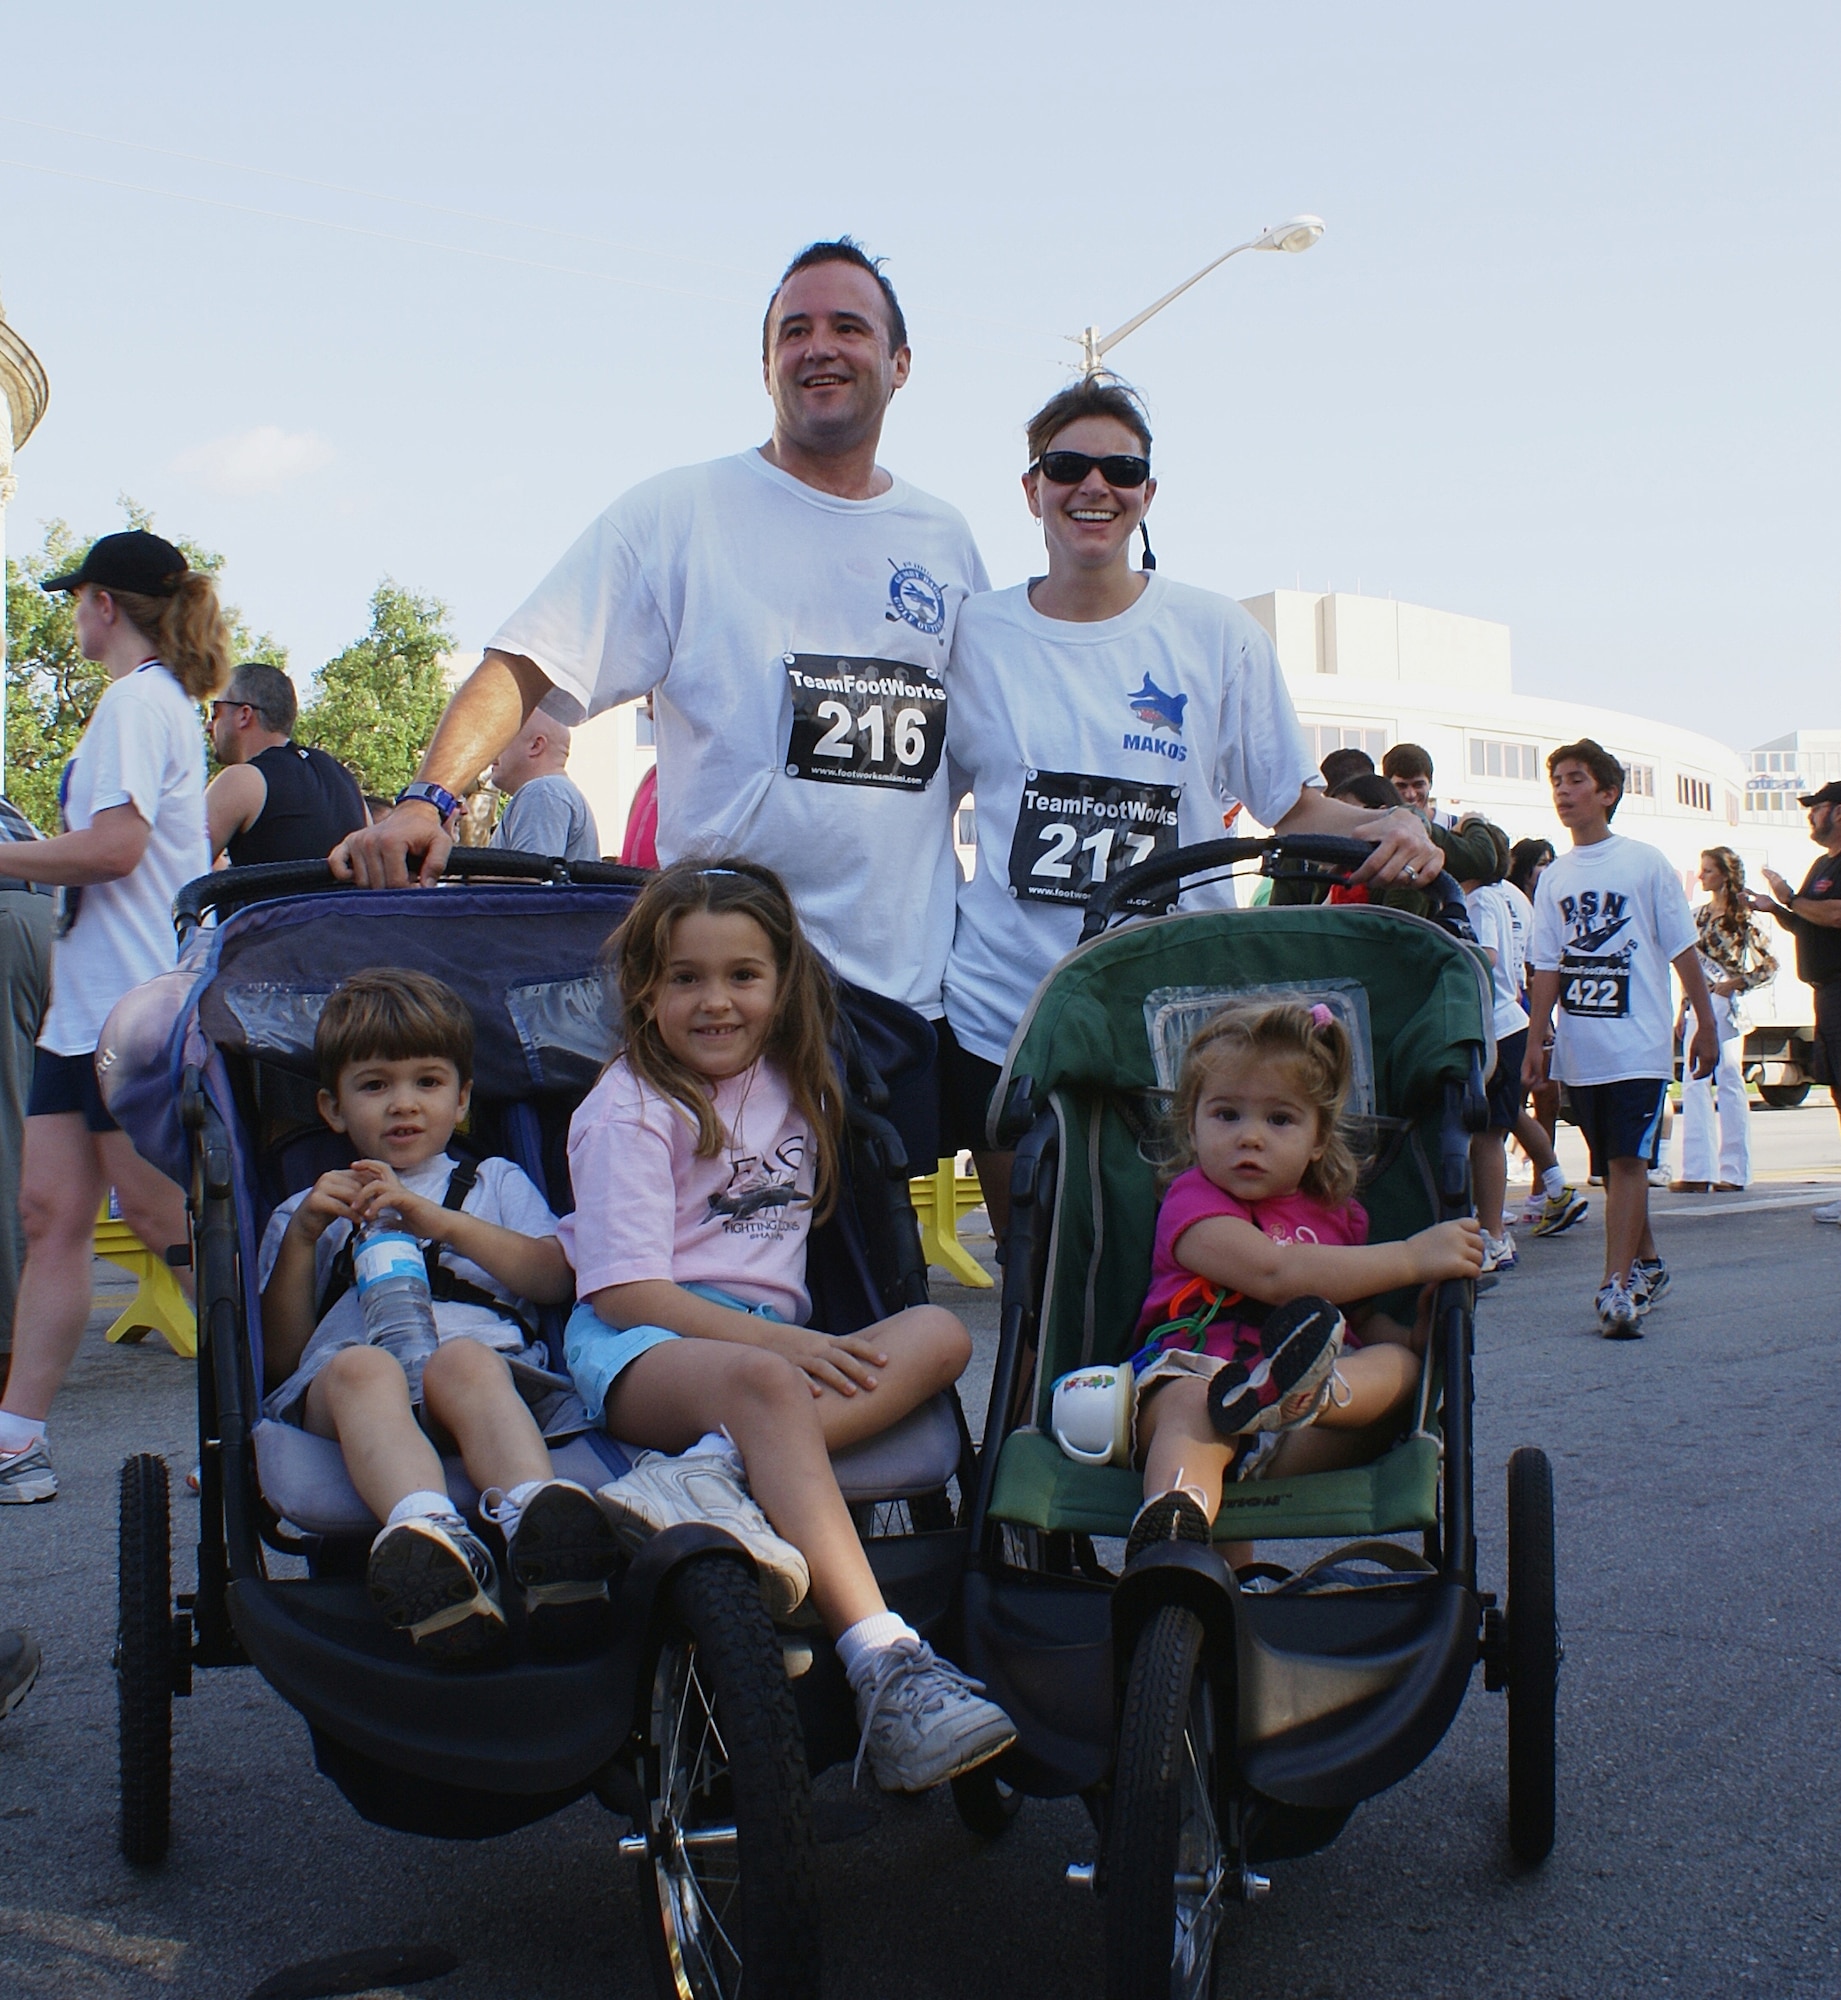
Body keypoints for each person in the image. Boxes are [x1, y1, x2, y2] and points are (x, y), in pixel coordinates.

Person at [331, 239, 985, 1097]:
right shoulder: (678, 516)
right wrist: (428, 799)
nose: (818, 347)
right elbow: (527, 661)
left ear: (899, 364)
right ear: (764, 365)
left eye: (847, 327)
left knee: (875, 1232)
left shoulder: (943, 539)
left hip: (901, 1002)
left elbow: (985, 744)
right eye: (794, 331)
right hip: (729, 1003)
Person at [940, 378, 1440, 1226]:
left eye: (1119, 469)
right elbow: (910, 807)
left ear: (1147, 494)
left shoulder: (1214, 633)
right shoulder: (970, 633)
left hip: (1174, 1012)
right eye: (1066, 466)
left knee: (1177, 1268)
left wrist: (1387, 822)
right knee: (1042, 1273)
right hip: (1006, 1010)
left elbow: (1292, 808)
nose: (1092, 486)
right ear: (1031, 490)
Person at [561, 860, 1015, 1793]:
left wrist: (781, 1343)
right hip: (647, 1349)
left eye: (742, 976)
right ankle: (885, 1661)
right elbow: (625, 1293)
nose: (714, 1001)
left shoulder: (795, 1083)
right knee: (768, 1385)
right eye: (685, 978)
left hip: (760, 1353)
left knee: (939, 1335)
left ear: (781, 984)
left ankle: (711, 1474)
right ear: (645, 990)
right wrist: (783, 1346)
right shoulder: (628, 1108)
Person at [259, 969, 616, 1661]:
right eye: (375, 1086)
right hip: (354, 1393)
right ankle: (427, 1535)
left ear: (462, 1101)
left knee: (465, 1360)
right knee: (360, 1366)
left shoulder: (494, 1183)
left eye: (427, 1083)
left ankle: (536, 1524)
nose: (403, 1104)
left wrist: (442, 1222)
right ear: (332, 1109)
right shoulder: (311, 1208)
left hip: (485, 1377)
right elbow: (282, 1356)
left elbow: (552, 1278)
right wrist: (304, 1237)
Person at [0, 532, 229, 1503]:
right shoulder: (143, 700)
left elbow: (115, 849)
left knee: (164, 1220)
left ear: (103, 602)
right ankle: (16, 1440)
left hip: (131, 1012)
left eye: (78, 599)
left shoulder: (140, 701)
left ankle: (265, 1419)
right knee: (51, 1217)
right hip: (81, 1014)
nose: (73, 614)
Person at [1122, 1002, 1484, 1560]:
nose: (1251, 1138)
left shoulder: (1341, 1218)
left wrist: (1415, 1336)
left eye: (1280, 1119)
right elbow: (1275, 1273)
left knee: (1401, 1370)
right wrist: (1412, 1258)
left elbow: (1362, 1320)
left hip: (1304, 1428)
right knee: (1190, 1406)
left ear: (1318, 1138)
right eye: (1226, 1115)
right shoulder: (1192, 1202)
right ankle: (1178, 1521)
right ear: (1191, 1126)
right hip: (1201, 1374)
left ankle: (1312, 1392)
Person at [1522, 740, 1717, 1337]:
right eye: (1556, 779)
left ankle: (1614, 1285)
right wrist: (1537, 1039)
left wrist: (1704, 1020)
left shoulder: (1643, 862)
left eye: (1576, 779)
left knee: (1629, 1161)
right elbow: (1547, 964)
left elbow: (1682, 946)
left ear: (1607, 793)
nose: (1563, 789)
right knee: (1611, 1165)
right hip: (1584, 1048)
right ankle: (1649, 1264)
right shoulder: (1554, 876)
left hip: (1638, 1043)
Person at [1749, 780, 1841, 1223]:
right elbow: (1809, 923)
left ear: (1838, 813)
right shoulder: (1822, 864)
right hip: (1824, 992)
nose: (1810, 815)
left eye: (1817, 807)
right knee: (1837, 1088)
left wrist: (1791, 898)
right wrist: (1777, 909)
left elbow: (1836, 913)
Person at [1672, 848, 1775, 1193]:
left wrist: (1736, 983)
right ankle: (1697, 1171)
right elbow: (1687, 968)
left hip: (1726, 1006)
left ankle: (1734, 1172)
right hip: (1697, 1007)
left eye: (1708, 871)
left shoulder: (1743, 918)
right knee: (1693, 1081)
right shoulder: (1696, 917)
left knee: (1730, 1081)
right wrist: (1681, 1010)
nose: (1701, 876)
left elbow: (1769, 965)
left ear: (1725, 875)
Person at [1454, 817, 1529, 1272]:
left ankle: (1493, 1234)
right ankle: (1491, 1228)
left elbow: (1490, 955)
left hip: (1498, 1026)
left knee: (1487, 1137)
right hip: (1505, 1023)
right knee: (1488, 1137)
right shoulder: (1497, 897)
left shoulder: (1480, 899)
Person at [205, 662, 367, 866]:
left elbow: (178, 869)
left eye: (215, 711)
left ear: (244, 714)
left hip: (269, 899)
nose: (209, 726)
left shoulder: (243, 779)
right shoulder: (344, 779)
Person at [0, 800, 53, 1361]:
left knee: (6, 1137)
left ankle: (9, 1346)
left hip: (7, 924)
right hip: (46, 919)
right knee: (40, 1137)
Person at [487, 710, 600, 863]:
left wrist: (464, 877)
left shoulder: (542, 793)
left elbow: (528, 878)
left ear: (535, 745)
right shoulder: (552, 792)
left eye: (503, 739)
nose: (492, 750)